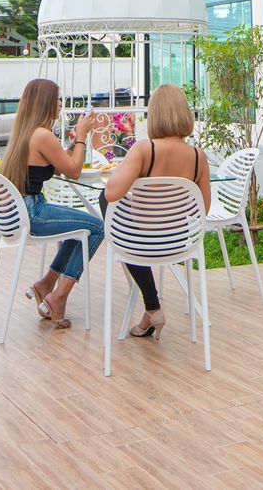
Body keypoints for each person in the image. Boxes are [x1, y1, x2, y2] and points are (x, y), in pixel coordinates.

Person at [100, 84, 211, 342]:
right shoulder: (198, 157)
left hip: (140, 243)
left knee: (108, 211)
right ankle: (151, 310)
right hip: (178, 243)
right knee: (124, 227)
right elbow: (202, 209)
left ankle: (152, 306)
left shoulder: (143, 149)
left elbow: (111, 193)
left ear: (155, 115)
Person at [1, 78, 106, 328]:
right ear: (45, 103)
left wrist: (73, 143)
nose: (60, 103)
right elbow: (74, 171)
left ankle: (46, 283)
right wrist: (81, 136)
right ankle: (58, 297)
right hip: (33, 212)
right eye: (56, 98)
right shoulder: (42, 135)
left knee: (78, 230)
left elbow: (59, 166)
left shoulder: (26, 132)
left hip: (20, 211)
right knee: (98, 227)